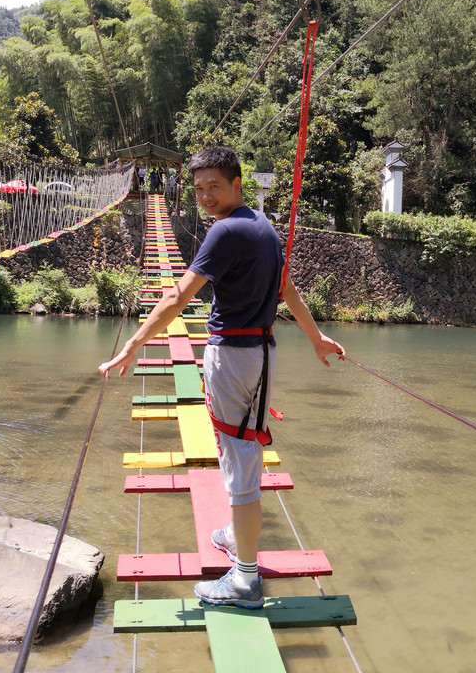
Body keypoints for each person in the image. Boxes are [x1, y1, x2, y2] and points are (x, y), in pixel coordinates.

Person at [99, 145, 344, 609]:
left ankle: (244, 582)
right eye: (199, 189)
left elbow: (176, 297)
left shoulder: (224, 232)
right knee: (244, 447)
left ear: (236, 184)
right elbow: (285, 287)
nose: (206, 196)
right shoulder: (261, 225)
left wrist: (133, 345)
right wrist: (315, 338)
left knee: (238, 459)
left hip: (232, 355)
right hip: (262, 352)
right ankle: (237, 536)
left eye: (215, 186)